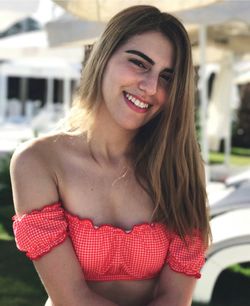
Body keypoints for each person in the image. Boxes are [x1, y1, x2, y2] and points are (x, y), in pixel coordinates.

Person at [11, 5, 211, 306]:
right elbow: (71, 297)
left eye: (167, 77)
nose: (150, 87)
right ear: (102, 57)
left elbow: (174, 298)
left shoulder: (179, 167)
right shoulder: (39, 162)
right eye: (139, 63)